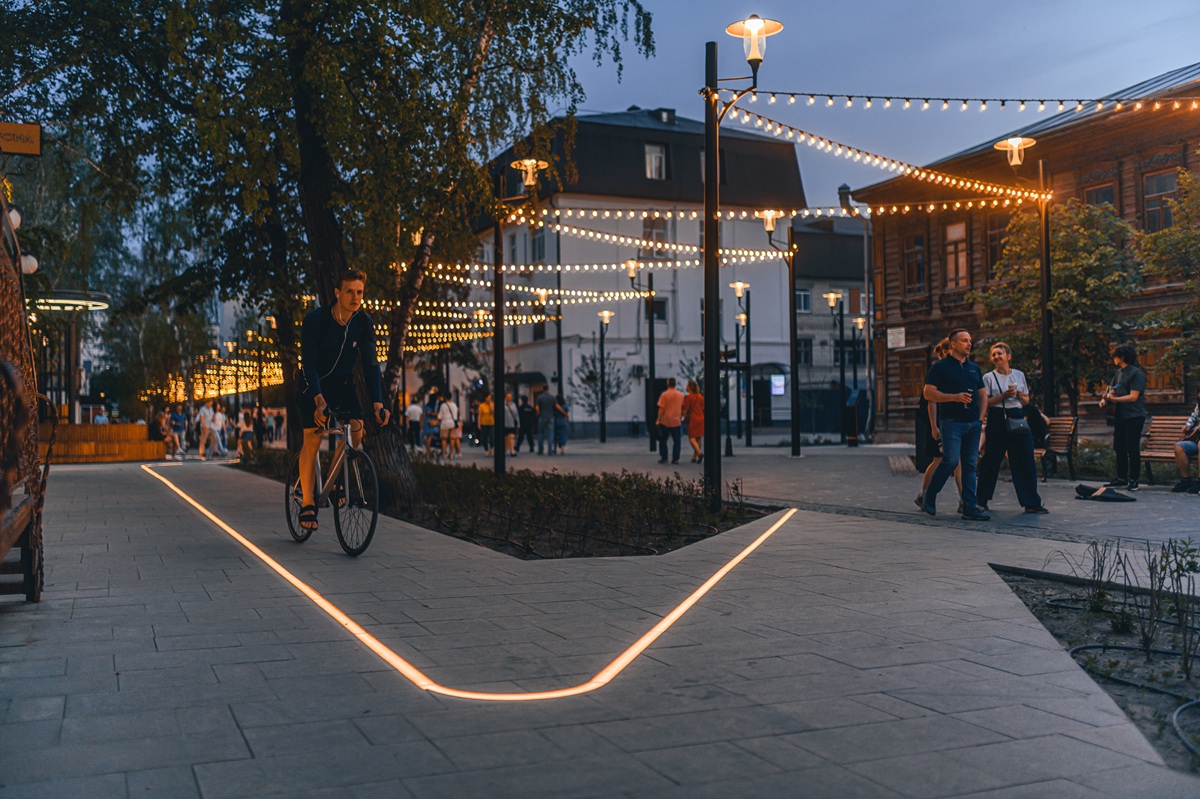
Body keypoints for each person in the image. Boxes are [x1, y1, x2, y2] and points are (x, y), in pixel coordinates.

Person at [295, 269, 389, 532]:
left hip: (342, 384)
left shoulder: (364, 323)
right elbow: (309, 365)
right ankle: (308, 503)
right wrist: (318, 399)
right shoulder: (316, 321)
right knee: (313, 438)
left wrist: (378, 404)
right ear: (337, 293)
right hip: (311, 385)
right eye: (349, 291)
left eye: (359, 292)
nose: (355, 297)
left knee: (357, 434)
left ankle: (336, 481)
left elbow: (371, 365)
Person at [921, 328, 989, 521]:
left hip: (973, 423)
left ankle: (969, 507)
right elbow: (928, 393)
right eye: (965, 341)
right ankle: (930, 495)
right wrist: (954, 398)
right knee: (950, 460)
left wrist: (980, 418)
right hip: (951, 422)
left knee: (969, 465)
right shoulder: (941, 367)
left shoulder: (974, 368)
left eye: (970, 340)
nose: (969, 344)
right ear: (953, 344)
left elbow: (983, 395)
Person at [977, 342, 1048, 514]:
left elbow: (1026, 400)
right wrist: (1003, 396)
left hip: (1016, 417)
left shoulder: (1019, 375)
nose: (996, 357)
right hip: (997, 418)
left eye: (999, 353)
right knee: (992, 459)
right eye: (993, 354)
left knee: (1025, 459)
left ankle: (1031, 502)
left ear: (1008, 356)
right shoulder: (988, 377)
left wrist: (1019, 396)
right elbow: (985, 402)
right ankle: (980, 500)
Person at [915, 339, 962, 511]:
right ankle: (924, 493)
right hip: (938, 422)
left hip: (953, 421)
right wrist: (934, 427)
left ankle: (964, 499)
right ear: (944, 353)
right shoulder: (939, 370)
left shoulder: (957, 369)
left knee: (958, 462)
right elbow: (930, 401)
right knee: (939, 460)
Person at [1099, 343, 1147, 491]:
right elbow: (1111, 389)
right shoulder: (1119, 373)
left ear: (1122, 357)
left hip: (1134, 415)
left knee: (1132, 447)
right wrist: (1105, 399)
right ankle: (1121, 477)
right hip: (1120, 415)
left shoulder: (1136, 374)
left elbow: (1133, 397)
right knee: (1119, 446)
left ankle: (1134, 479)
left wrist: (1114, 400)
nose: (1113, 358)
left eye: (1115, 356)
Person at [1170, 388, 1200, 493]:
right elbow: (1193, 418)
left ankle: (1199, 481)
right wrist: (1187, 426)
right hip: (1196, 439)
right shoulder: (1198, 406)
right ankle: (1186, 480)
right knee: (1179, 446)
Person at [656, 377, 685, 465]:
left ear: (668, 384)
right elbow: (683, 408)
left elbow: (661, 408)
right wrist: (682, 417)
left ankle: (664, 458)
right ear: (675, 384)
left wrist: (658, 419)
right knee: (677, 441)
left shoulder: (664, 395)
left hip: (666, 421)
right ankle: (675, 459)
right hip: (676, 421)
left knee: (663, 440)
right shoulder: (680, 395)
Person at [682, 379, 704, 463]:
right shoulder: (700, 396)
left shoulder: (688, 397)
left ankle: (699, 453)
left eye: (687, 386)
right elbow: (702, 407)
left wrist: (682, 415)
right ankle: (695, 457)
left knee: (691, 438)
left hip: (693, 419)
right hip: (701, 418)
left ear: (689, 387)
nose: (686, 387)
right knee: (698, 438)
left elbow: (685, 410)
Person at [437, 392, 460, 459]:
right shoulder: (454, 405)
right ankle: (451, 455)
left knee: (444, 439)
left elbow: (440, 416)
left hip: (444, 424)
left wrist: (438, 424)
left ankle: (444, 455)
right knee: (452, 439)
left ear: (445, 397)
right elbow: (456, 415)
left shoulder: (443, 405)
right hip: (452, 424)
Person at [535, 389, 557, 455]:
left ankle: (540, 450)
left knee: (541, 433)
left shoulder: (539, 397)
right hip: (551, 417)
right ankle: (550, 451)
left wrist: (538, 414)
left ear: (543, 389)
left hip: (542, 417)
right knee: (551, 434)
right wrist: (564, 413)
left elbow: (537, 407)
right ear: (548, 389)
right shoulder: (552, 397)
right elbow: (556, 406)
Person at [422, 390, 440, 457]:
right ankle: (429, 452)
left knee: (428, 437)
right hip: (433, 422)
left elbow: (424, 414)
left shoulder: (426, 405)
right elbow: (437, 414)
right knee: (429, 437)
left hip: (427, 422)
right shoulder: (436, 406)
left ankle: (428, 451)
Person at [503, 391, 519, 456]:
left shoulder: (513, 405)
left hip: (512, 423)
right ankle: (506, 450)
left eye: (510, 397)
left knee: (511, 437)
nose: (509, 398)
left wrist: (518, 423)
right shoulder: (503, 405)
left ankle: (512, 451)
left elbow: (516, 414)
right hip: (505, 424)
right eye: (507, 397)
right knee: (507, 438)